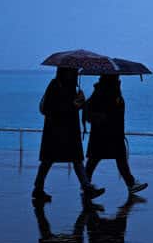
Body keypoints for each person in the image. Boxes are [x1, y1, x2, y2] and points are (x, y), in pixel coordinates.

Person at [32, 67, 104, 204]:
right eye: (74, 71)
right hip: (55, 130)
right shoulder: (55, 85)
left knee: (75, 159)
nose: (76, 73)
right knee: (49, 160)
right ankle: (38, 188)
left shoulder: (71, 87)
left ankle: (87, 188)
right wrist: (73, 105)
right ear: (66, 71)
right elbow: (49, 107)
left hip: (68, 130)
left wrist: (81, 103)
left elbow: (73, 107)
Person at [82, 74, 147, 195]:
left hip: (110, 132)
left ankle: (130, 183)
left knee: (112, 158)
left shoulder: (110, 92)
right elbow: (106, 110)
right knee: (98, 158)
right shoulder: (104, 92)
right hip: (105, 132)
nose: (119, 79)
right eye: (117, 77)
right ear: (111, 79)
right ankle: (86, 184)